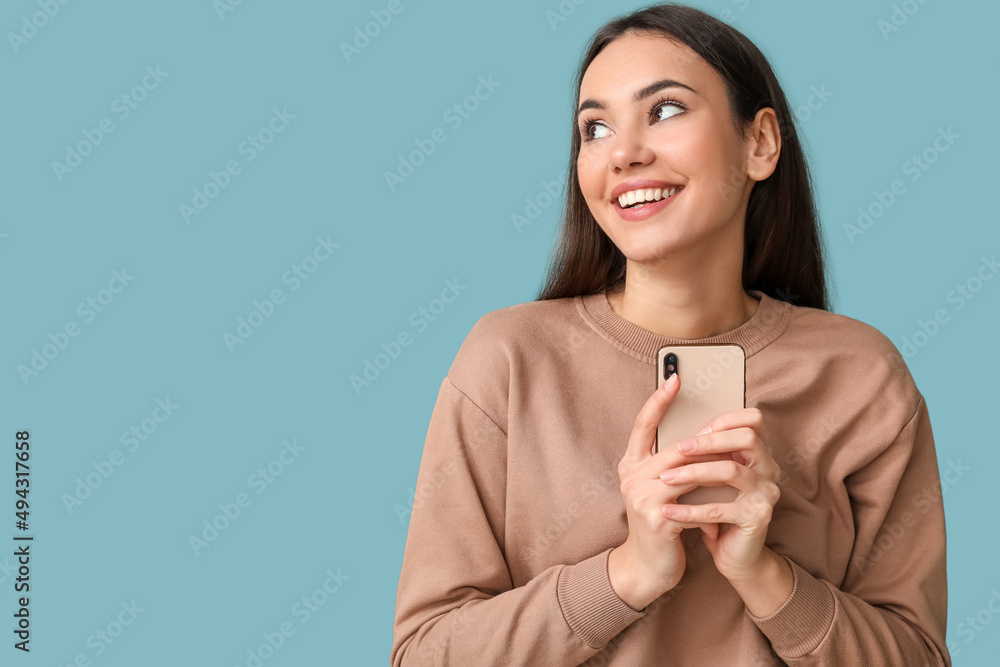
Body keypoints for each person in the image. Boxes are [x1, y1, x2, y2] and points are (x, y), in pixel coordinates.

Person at [390, 3, 950, 665]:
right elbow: (424, 654)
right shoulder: (508, 360)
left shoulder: (862, 375)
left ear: (760, 143)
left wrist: (766, 578)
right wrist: (629, 574)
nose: (623, 153)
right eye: (594, 128)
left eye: (664, 110)